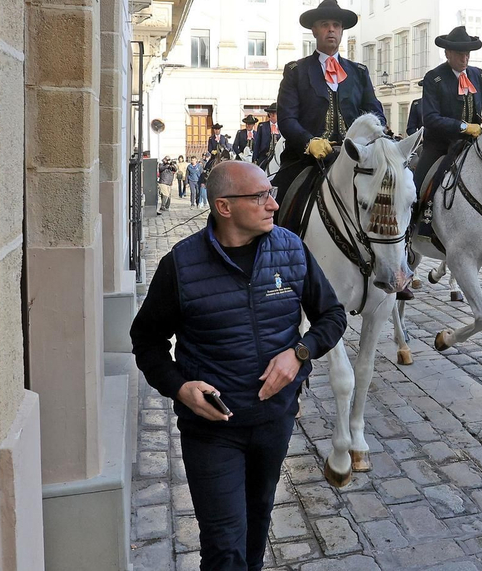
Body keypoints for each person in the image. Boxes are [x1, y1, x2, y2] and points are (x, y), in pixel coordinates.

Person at [132, 161, 347, 571]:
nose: (273, 203)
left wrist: (299, 353)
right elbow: (147, 342)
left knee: (256, 524)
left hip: (274, 420)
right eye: (261, 196)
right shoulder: (181, 265)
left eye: (271, 192)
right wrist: (179, 388)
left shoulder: (291, 248)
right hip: (212, 431)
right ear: (224, 207)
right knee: (223, 544)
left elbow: (333, 316)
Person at [271, 0, 384, 201]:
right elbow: (287, 119)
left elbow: (376, 115)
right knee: (276, 203)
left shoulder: (359, 72)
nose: (331, 30)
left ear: (341, 31)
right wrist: (308, 142)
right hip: (306, 160)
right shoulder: (296, 71)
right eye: (325, 25)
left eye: (336, 25)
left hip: (355, 158)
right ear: (314, 31)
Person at [414, 25, 482, 187]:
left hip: (473, 143)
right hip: (440, 145)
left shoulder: (477, 74)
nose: (465, 59)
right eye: (460, 55)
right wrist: (464, 127)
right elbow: (430, 118)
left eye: (467, 54)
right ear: (448, 54)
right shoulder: (434, 78)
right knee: (417, 186)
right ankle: (416, 209)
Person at [252, 105, 277, 169]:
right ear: (269, 115)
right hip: (265, 156)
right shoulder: (262, 126)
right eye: (271, 113)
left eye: (275, 113)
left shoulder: (282, 126)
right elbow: (257, 143)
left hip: (278, 156)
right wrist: (254, 158)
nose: (273, 115)